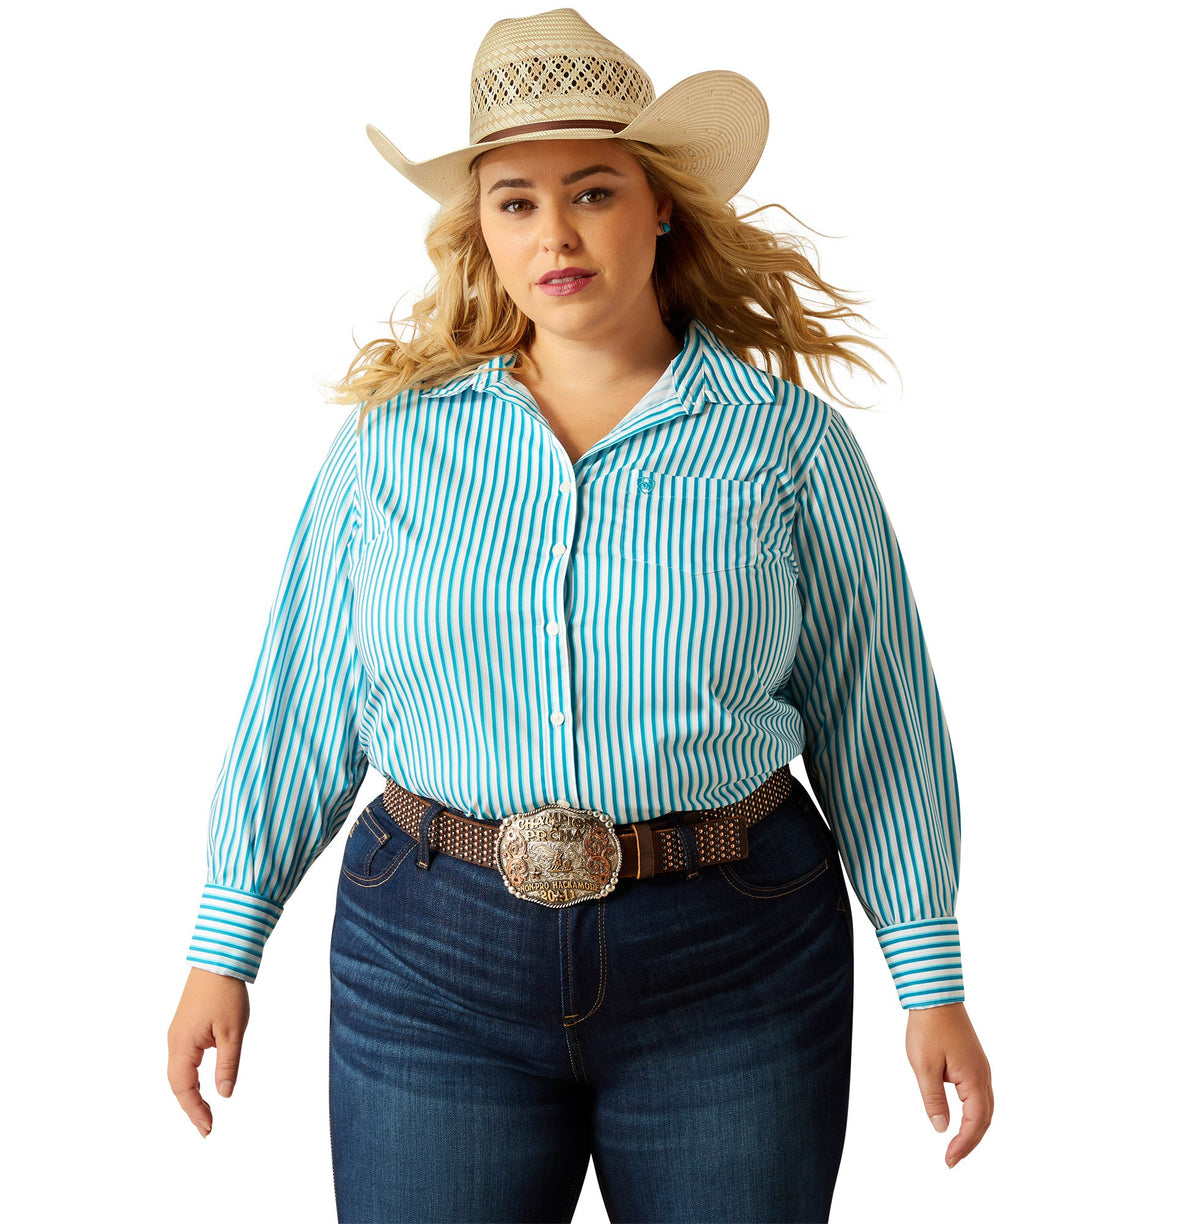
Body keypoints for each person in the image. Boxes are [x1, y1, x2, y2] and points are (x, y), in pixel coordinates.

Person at [166, 8, 993, 1222]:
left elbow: (880, 713)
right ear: (480, 229)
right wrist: (222, 942)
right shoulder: (391, 447)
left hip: (735, 958)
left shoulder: (785, 447)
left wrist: (931, 978)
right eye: (515, 201)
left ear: (659, 206)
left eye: (593, 191)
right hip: (428, 961)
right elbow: (303, 699)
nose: (555, 232)